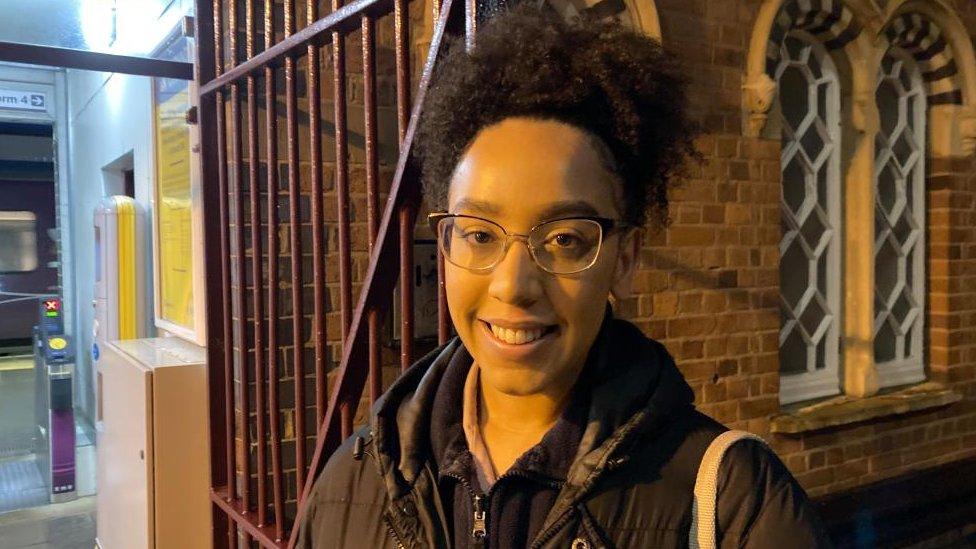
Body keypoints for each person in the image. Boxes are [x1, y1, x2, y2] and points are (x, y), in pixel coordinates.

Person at [295, 5, 832, 548]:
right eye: (480, 234)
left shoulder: (735, 506)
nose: (513, 285)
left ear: (624, 257)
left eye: (564, 240)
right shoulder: (353, 483)